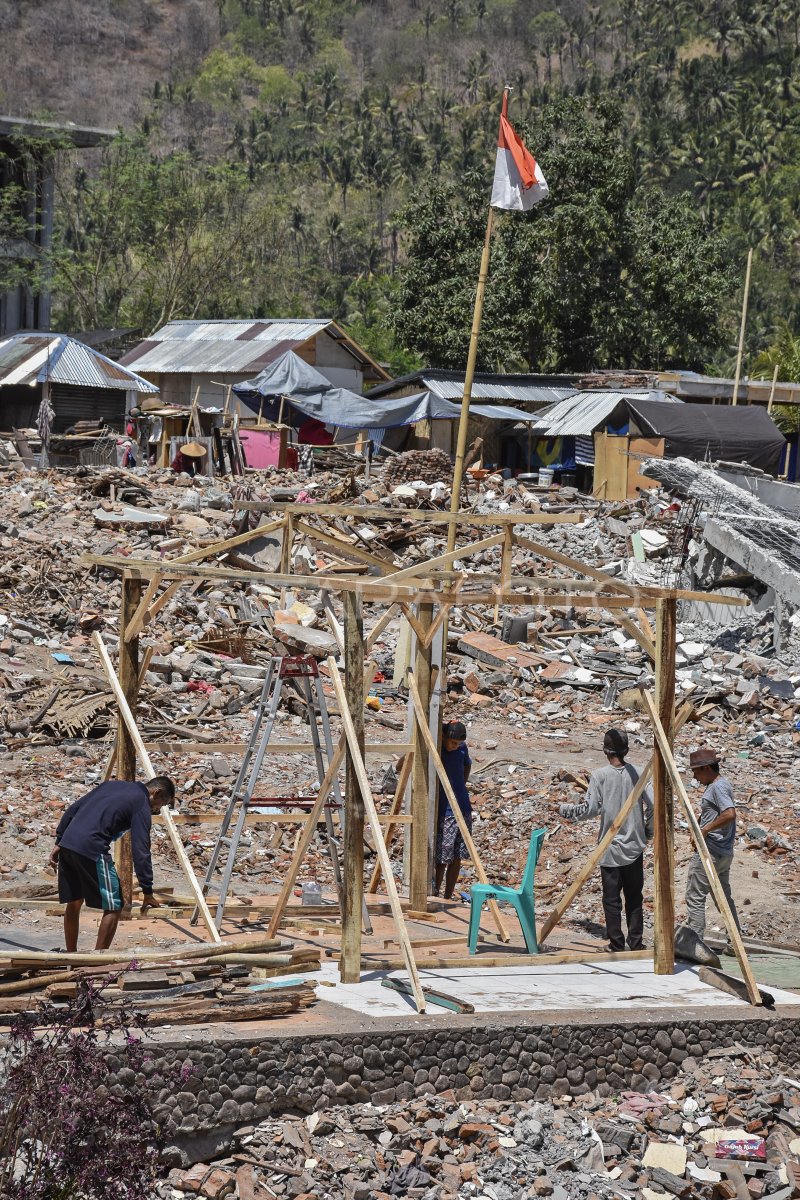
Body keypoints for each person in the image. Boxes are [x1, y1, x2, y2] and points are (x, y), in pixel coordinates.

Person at [49, 776, 175, 951]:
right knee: (115, 905)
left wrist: (59, 840)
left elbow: (74, 808)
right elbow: (141, 850)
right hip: (92, 849)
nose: (157, 809)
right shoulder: (141, 803)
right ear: (157, 792)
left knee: (75, 901)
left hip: (68, 844)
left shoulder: (112, 785)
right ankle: (97, 962)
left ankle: (72, 956)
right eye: (161, 804)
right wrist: (147, 891)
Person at [559, 729, 653, 952]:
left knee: (611, 899)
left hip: (609, 848)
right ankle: (636, 942)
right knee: (634, 897)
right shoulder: (639, 773)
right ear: (627, 750)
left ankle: (616, 943)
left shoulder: (600, 775)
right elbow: (654, 805)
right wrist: (647, 831)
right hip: (634, 846)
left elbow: (590, 809)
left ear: (604, 750)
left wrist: (565, 810)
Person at [684, 746, 741, 939]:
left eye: (696, 772)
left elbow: (729, 814)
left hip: (711, 853)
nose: (695, 777)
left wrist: (706, 829)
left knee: (695, 896)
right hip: (724, 853)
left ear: (707, 768)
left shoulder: (717, 786)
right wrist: (699, 826)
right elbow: (714, 812)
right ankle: (736, 940)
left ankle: (695, 944)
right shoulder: (719, 785)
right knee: (723, 898)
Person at [434, 720, 472, 899]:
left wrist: (461, 786)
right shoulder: (437, 750)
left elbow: (467, 764)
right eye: (453, 743)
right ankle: (435, 893)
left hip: (462, 807)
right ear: (444, 737)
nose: (455, 747)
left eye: (458, 744)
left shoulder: (462, 750)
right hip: (445, 811)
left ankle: (447, 896)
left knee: (457, 857)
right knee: (442, 856)